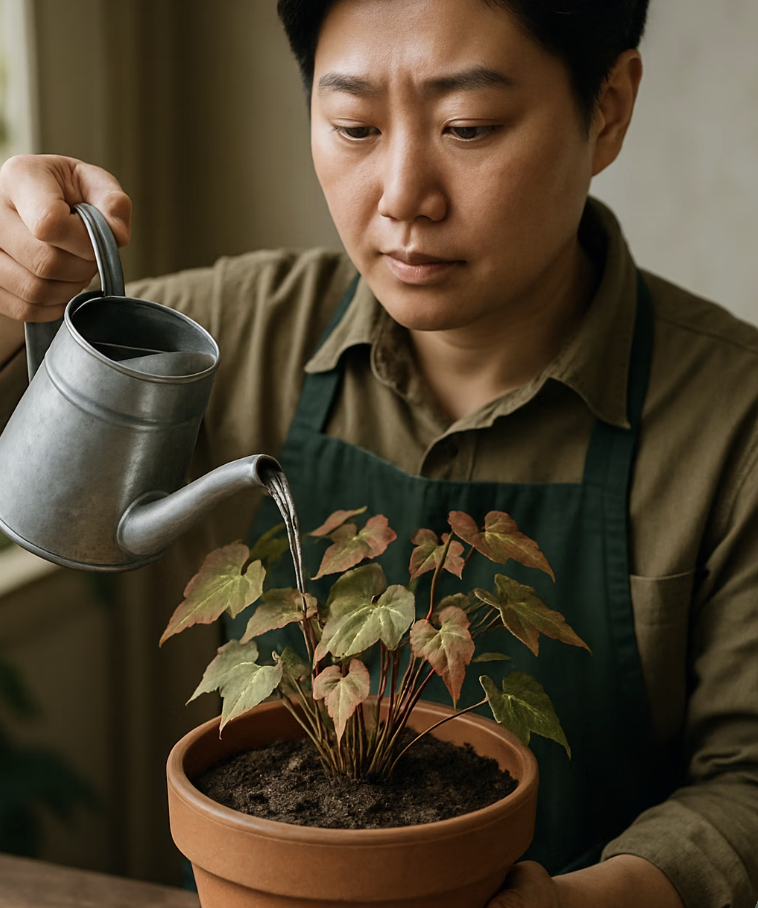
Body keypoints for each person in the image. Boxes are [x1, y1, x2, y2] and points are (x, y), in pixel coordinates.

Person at [0, 1, 756, 906]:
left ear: (608, 108)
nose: (403, 196)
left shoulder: (731, 420)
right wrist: (13, 294)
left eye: (467, 127)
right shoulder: (242, 332)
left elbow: (748, 777)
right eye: (354, 126)